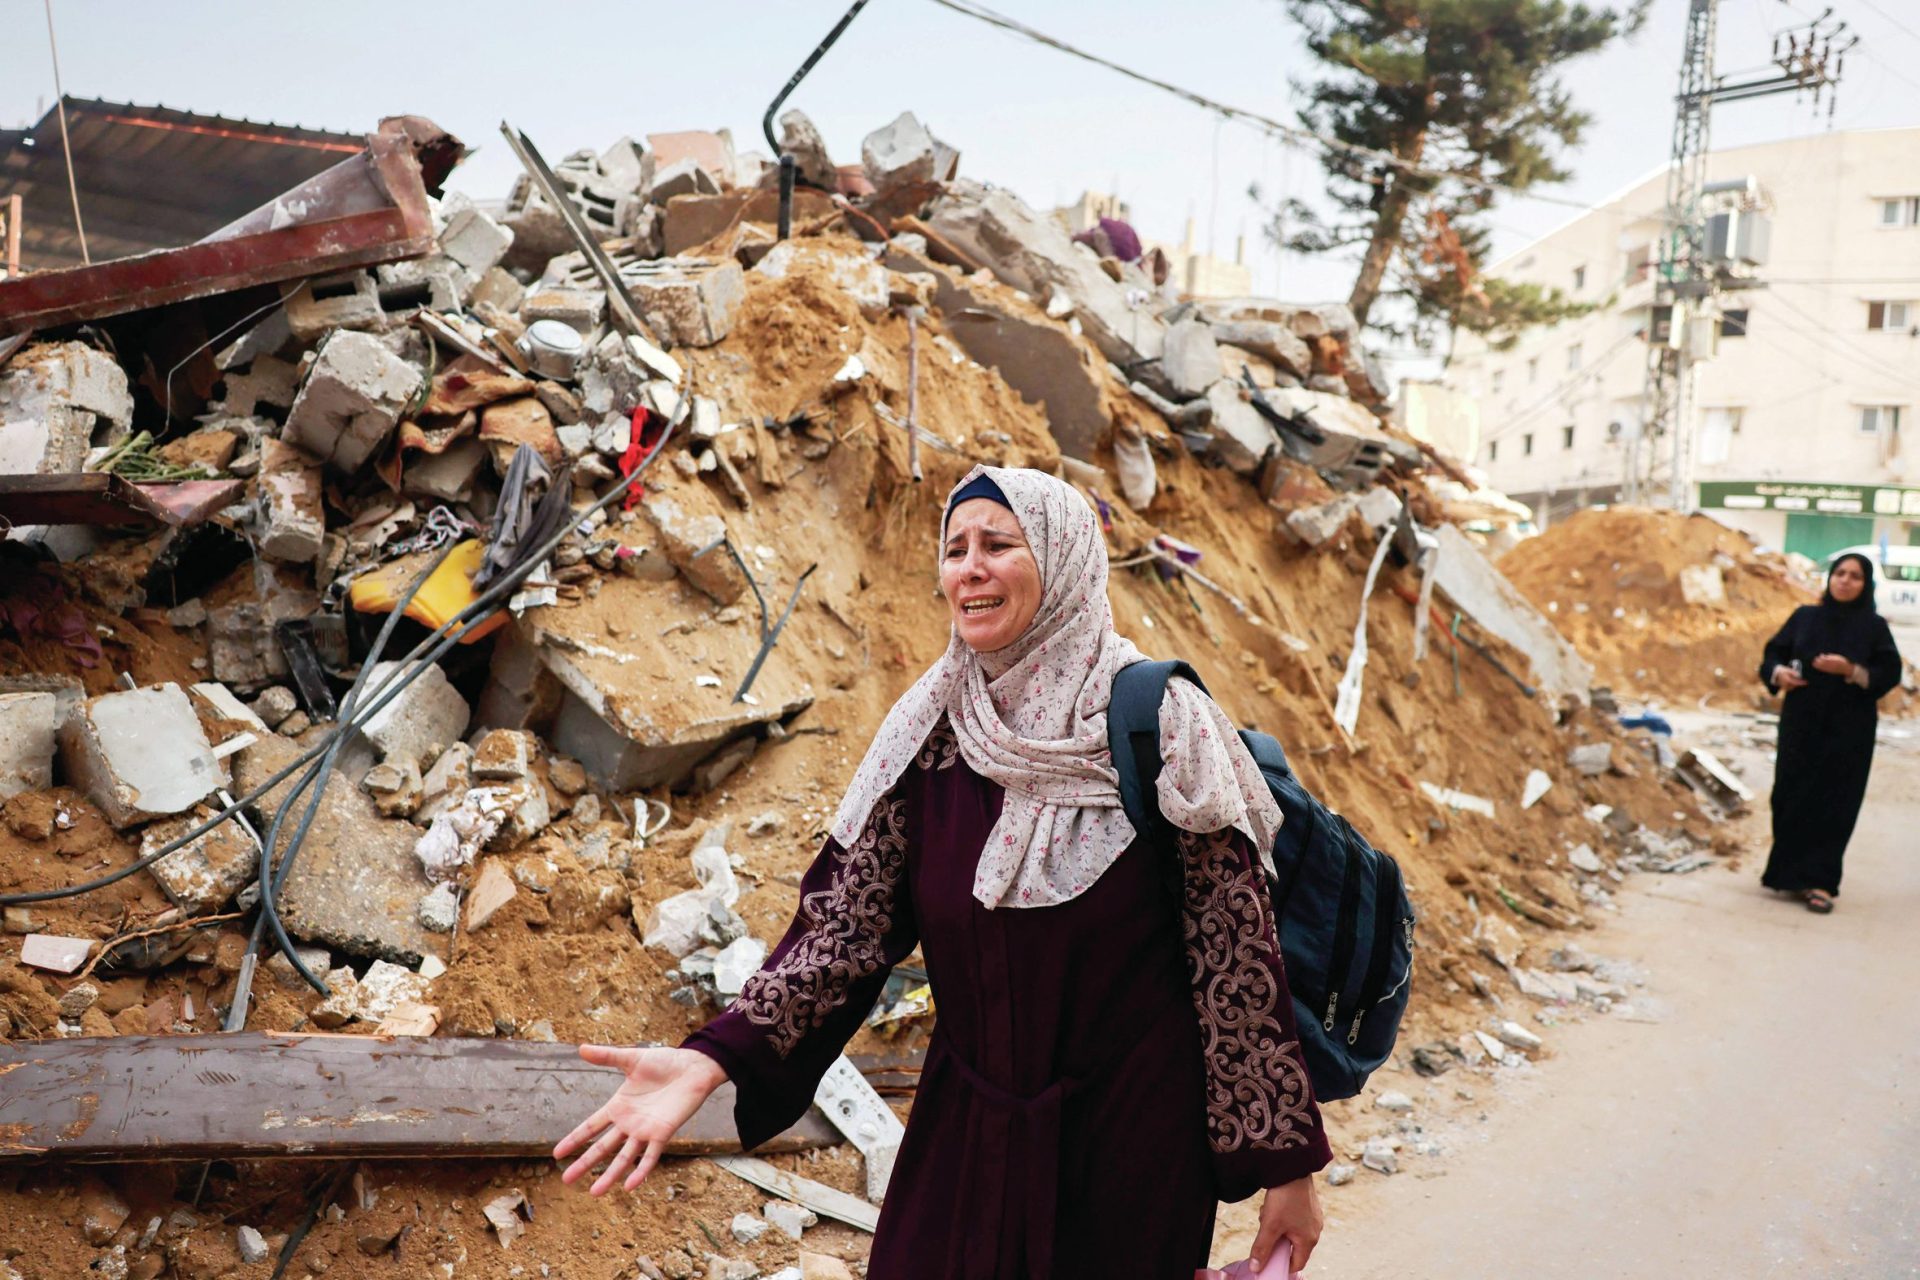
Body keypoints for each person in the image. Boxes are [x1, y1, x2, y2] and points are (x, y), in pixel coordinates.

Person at [555, 466, 1331, 1278]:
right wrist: (714, 1056)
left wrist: (1288, 1169)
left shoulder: (1164, 728)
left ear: (1065, 562)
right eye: (955, 549)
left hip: (1129, 1149)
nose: (971, 567)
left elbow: (1235, 962)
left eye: (999, 544)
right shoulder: (930, 734)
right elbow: (842, 934)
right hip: (968, 1133)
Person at [1758, 552, 1904, 913]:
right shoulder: (1804, 617)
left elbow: (1888, 673)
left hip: (1848, 731)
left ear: (1865, 584)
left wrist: (1850, 669)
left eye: (1855, 576)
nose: (1845, 581)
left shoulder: (1874, 627)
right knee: (1789, 794)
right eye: (1840, 573)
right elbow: (1773, 653)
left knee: (1835, 802)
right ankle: (1786, 874)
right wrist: (1780, 674)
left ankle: (1820, 881)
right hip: (1801, 724)